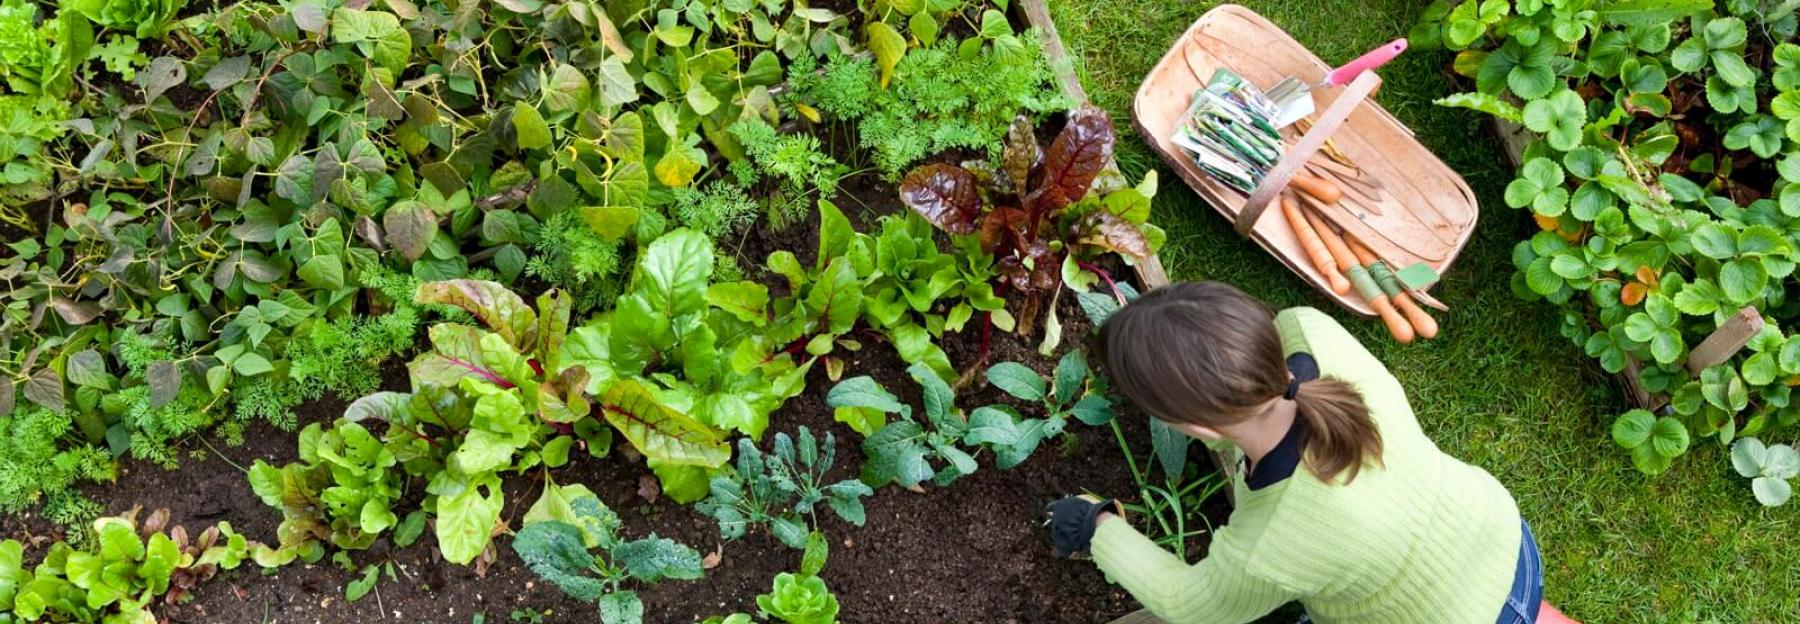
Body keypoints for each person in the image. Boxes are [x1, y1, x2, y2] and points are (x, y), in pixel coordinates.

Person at [1044, 282, 1577, 624]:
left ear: (1198, 428)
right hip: (1503, 540)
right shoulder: (1313, 333)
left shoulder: (1274, 540)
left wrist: (1098, 530)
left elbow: (1191, 602)